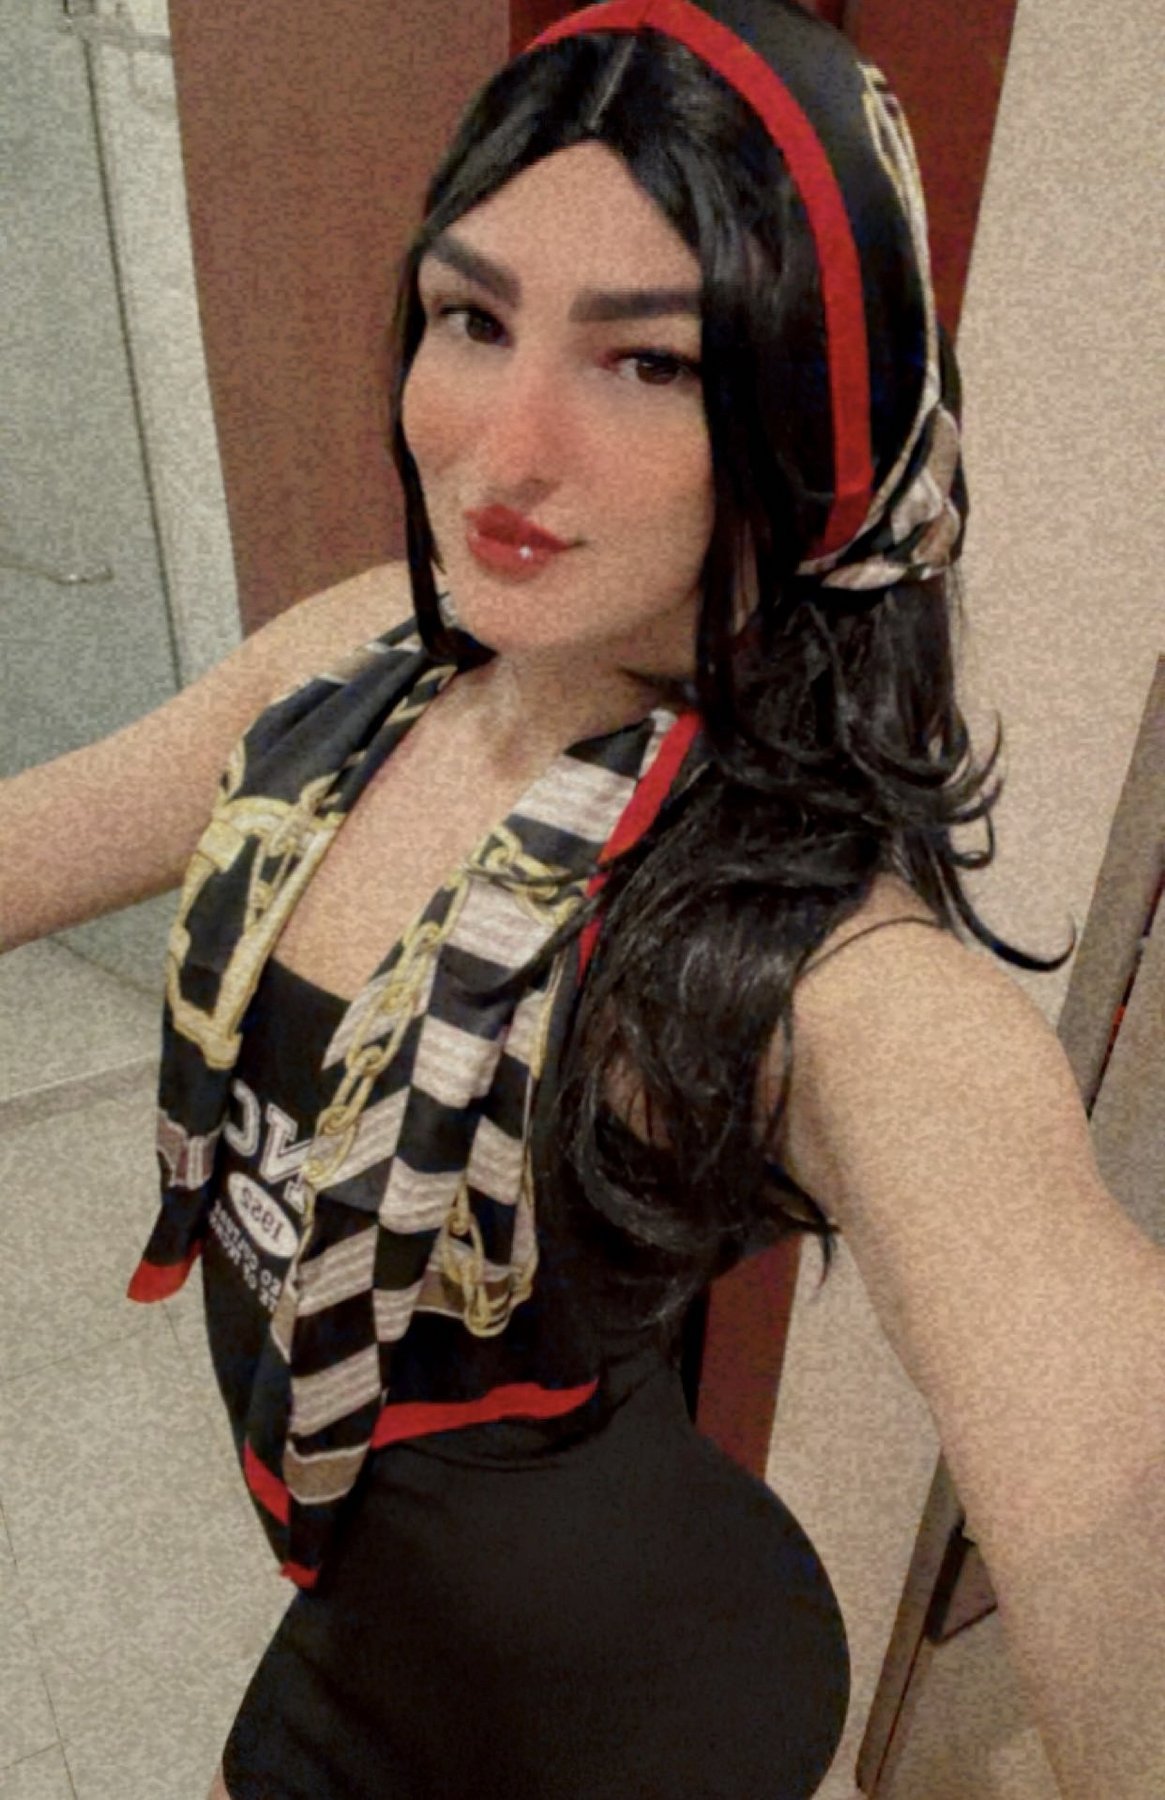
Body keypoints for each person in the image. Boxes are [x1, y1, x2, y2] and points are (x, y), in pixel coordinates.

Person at [2, 3, 1163, 1796]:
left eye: (652, 363)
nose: (505, 446)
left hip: (629, 1722)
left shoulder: (825, 971)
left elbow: (1103, 1465)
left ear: (809, 419)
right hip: (358, 1634)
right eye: (473, 319)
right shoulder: (349, 675)